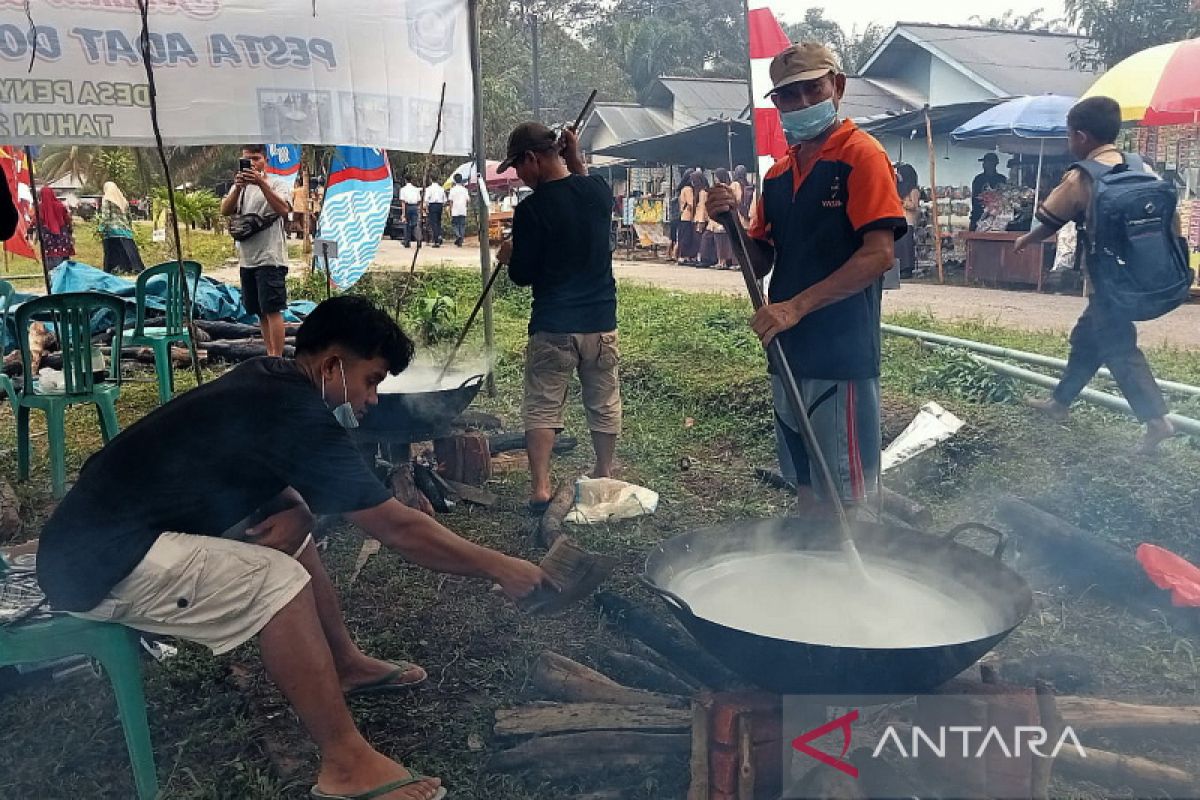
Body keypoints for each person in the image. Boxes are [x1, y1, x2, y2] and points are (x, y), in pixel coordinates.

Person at [36, 295, 548, 800]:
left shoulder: (271, 380)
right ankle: (345, 767)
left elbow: (250, 465)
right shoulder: (294, 410)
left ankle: (344, 664)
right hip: (97, 564)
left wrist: (299, 508)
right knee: (273, 581)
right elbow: (398, 528)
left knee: (292, 535)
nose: (371, 400)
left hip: (108, 534)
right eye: (370, 381)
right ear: (331, 366)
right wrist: (501, 567)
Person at [705, 42, 906, 517]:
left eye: (810, 90)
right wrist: (729, 224)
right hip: (786, 352)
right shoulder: (776, 176)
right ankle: (814, 574)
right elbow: (760, 263)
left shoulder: (862, 156)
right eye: (786, 97)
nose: (798, 104)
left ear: (836, 87)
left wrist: (795, 307)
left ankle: (858, 582)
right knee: (806, 482)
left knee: (849, 493)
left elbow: (878, 256)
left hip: (841, 355)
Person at [1014, 96, 1175, 454]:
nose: (1069, 142)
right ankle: (1060, 403)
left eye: (1070, 135)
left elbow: (1051, 218)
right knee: (1087, 339)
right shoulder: (1141, 166)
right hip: (1139, 273)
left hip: (1106, 280)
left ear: (1082, 137)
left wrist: (1025, 240)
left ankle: (1157, 421)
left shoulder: (1083, 176)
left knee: (1119, 347)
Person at [495, 122, 621, 513]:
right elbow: (581, 189)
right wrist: (578, 160)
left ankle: (541, 487)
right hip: (600, 321)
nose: (518, 175)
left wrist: (509, 255)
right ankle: (604, 473)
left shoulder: (532, 209)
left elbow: (523, 275)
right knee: (603, 399)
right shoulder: (598, 192)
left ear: (532, 158)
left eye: (518, 166)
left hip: (553, 324)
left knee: (543, 406)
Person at [221, 145, 293, 358]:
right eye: (246, 160)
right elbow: (225, 210)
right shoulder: (240, 187)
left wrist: (262, 183)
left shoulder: (277, 183)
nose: (251, 163)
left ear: (265, 160)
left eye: (256, 158)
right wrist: (237, 187)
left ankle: (277, 357)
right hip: (247, 258)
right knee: (260, 310)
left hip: (270, 257)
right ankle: (270, 352)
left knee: (273, 309)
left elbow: (283, 209)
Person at [98, 182, 144, 274]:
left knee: (111, 253)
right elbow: (129, 217)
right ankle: (132, 269)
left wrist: (101, 228)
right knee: (128, 252)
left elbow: (106, 216)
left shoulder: (107, 199)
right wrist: (129, 228)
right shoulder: (123, 200)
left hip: (111, 230)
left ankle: (111, 270)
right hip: (125, 230)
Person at [37, 186, 75, 269]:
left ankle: (52, 278)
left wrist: (30, 231)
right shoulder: (60, 205)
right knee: (64, 260)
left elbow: (36, 220)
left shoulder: (40, 207)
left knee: (51, 259)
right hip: (62, 235)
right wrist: (70, 231)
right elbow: (67, 219)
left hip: (48, 237)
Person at [969, 153, 1007, 232]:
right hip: (978, 216)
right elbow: (975, 199)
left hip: (998, 219)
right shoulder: (978, 179)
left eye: (986, 162)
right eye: (984, 163)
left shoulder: (1002, 179)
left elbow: (1005, 199)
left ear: (994, 164)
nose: (984, 165)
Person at [895, 163, 920, 277]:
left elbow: (914, 205)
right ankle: (899, 268)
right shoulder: (898, 188)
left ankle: (907, 269)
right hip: (898, 220)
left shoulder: (913, 190)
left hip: (908, 221)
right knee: (898, 245)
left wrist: (901, 202)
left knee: (906, 245)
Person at [675, 170, 698, 264]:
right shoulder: (688, 189)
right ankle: (684, 256)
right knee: (686, 237)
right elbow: (691, 204)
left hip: (683, 216)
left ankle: (681, 256)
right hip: (688, 216)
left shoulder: (683, 188)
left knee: (682, 236)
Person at [398, 177, 422, 247]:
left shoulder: (403, 189)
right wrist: (418, 209)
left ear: (405, 180)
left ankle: (407, 242)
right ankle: (418, 239)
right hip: (414, 207)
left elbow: (403, 202)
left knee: (406, 224)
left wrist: (403, 214)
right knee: (415, 225)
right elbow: (419, 200)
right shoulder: (416, 189)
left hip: (407, 206)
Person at [448, 174, 470, 247]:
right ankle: (461, 239)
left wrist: (450, 210)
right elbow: (468, 200)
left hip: (455, 209)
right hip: (463, 209)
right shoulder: (465, 189)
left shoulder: (452, 189)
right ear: (461, 180)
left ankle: (458, 235)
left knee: (455, 224)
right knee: (462, 225)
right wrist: (466, 207)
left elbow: (451, 201)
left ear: (454, 180)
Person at [424, 178, 447, 247]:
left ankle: (436, 240)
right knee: (439, 222)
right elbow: (445, 200)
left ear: (431, 180)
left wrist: (426, 208)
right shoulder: (441, 188)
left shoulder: (429, 189)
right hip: (440, 205)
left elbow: (426, 199)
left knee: (433, 223)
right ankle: (439, 235)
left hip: (432, 205)